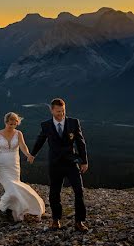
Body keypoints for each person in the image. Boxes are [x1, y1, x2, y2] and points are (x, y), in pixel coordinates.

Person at [28, 98, 89, 231]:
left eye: (63, 111)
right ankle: (56, 220)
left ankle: (79, 222)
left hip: (71, 163)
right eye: (58, 111)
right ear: (51, 110)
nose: (61, 114)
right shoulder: (46, 125)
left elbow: (80, 142)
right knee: (54, 193)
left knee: (79, 191)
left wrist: (84, 161)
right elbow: (40, 140)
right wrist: (32, 154)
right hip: (55, 164)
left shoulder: (73, 122)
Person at [0, 112, 45, 222]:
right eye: (10, 124)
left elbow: (23, 146)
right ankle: (2, 208)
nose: (12, 126)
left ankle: (12, 211)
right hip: (1, 166)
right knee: (11, 188)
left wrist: (28, 155)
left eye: (14, 124)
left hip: (14, 165)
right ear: (6, 122)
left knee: (15, 187)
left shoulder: (18, 133)